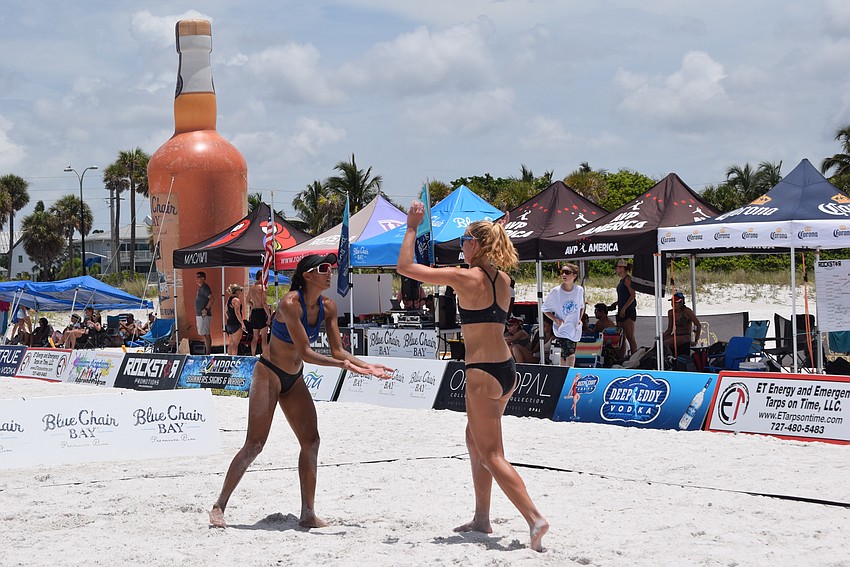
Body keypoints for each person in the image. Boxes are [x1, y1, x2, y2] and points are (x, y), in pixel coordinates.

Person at [397, 201, 548, 552]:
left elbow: (406, 267)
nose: (461, 245)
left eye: (465, 239)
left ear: (476, 245)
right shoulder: (504, 279)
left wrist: (411, 226)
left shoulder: (465, 277)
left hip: (482, 372)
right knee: (474, 440)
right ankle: (482, 517)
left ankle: (534, 519)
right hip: (506, 369)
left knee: (492, 453)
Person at [210, 253, 393, 529]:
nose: (329, 272)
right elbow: (307, 353)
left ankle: (308, 512)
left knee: (311, 441)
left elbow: (337, 350)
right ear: (307, 275)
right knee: (255, 445)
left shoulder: (328, 306)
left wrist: (365, 365)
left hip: (293, 378)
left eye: (330, 268)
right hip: (269, 374)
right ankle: (219, 506)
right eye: (323, 268)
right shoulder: (289, 303)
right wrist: (346, 366)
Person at [543, 263, 585, 368]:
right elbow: (544, 309)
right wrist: (555, 319)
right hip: (562, 328)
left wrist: (579, 318)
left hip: (574, 327)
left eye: (567, 272)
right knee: (570, 353)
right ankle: (569, 375)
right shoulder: (556, 291)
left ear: (574, 275)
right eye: (562, 272)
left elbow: (581, 306)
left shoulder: (579, 290)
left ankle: (563, 374)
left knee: (565, 353)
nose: (564, 275)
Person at [612, 258, 637, 357]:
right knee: (621, 336)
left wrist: (624, 308)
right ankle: (621, 356)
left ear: (622, 268)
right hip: (621, 309)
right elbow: (625, 296)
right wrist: (617, 303)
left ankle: (634, 356)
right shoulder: (621, 280)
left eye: (617, 267)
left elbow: (632, 295)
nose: (616, 269)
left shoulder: (627, 279)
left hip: (628, 311)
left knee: (630, 337)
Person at [662, 291, 701, 355]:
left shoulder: (687, 311)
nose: (673, 304)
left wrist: (696, 340)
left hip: (685, 336)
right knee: (658, 342)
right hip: (675, 334)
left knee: (666, 343)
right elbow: (669, 330)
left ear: (681, 303)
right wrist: (661, 337)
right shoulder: (671, 312)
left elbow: (698, 325)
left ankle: (669, 360)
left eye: (675, 302)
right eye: (672, 302)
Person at [247, 271, 272, 356]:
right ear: (262, 276)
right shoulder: (262, 287)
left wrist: (253, 305)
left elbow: (247, 301)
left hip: (254, 311)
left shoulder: (252, 287)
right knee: (264, 337)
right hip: (261, 311)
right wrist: (269, 316)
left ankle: (253, 355)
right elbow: (264, 303)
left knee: (255, 337)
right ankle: (265, 356)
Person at [224, 283, 246, 355]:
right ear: (236, 291)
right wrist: (242, 323)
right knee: (235, 344)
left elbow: (225, 311)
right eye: (240, 290)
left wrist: (229, 318)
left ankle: (229, 360)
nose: (241, 292)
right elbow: (237, 313)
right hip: (236, 323)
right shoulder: (236, 300)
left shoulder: (229, 299)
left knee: (230, 343)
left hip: (230, 323)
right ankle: (234, 360)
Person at [195, 271, 213, 355]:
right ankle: (207, 351)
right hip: (200, 314)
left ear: (203, 278)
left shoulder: (205, 288)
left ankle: (208, 352)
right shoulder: (201, 288)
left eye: (198, 277)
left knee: (205, 333)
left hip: (204, 315)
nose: (196, 279)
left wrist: (206, 309)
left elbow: (212, 298)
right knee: (203, 333)